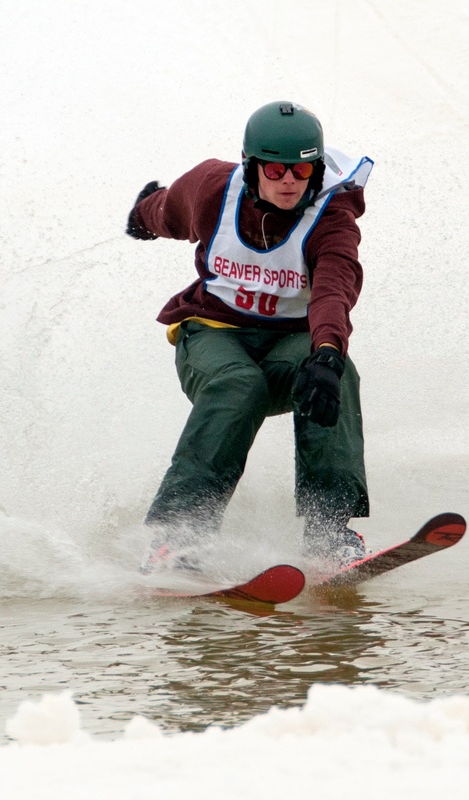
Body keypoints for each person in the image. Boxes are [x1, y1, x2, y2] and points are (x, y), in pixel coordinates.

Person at [125, 101, 374, 574]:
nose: (288, 181)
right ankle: (176, 537)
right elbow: (165, 212)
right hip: (213, 332)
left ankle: (329, 533)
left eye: (301, 170)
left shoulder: (332, 216)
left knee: (334, 373)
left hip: (288, 345)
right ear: (252, 165)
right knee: (239, 385)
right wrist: (142, 214)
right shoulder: (212, 189)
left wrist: (326, 352)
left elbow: (334, 289)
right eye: (276, 169)